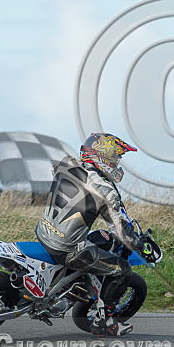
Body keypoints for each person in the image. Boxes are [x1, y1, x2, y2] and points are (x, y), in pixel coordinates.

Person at [35, 132, 145, 336]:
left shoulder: (66, 163)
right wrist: (139, 243)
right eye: (116, 158)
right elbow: (124, 234)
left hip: (44, 231)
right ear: (103, 157)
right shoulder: (106, 191)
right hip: (67, 248)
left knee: (100, 238)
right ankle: (104, 321)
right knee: (122, 269)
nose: (117, 163)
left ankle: (68, 287)